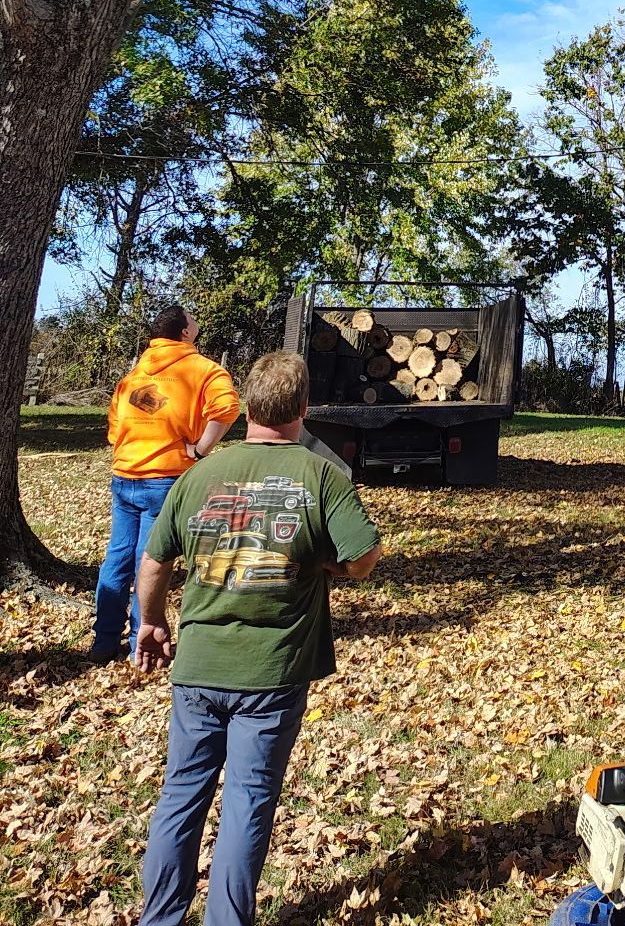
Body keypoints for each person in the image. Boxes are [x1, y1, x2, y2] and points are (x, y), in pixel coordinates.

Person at [133, 350, 382, 926]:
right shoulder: (320, 476)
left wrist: (150, 621)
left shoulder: (198, 474)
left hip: (197, 667)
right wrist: (329, 567)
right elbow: (364, 555)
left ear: (247, 405)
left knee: (180, 798)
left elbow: (152, 564)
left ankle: (160, 918)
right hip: (273, 673)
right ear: (303, 409)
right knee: (247, 803)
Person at [91, 306, 240, 664]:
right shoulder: (203, 370)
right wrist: (201, 448)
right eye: (194, 318)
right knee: (151, 561)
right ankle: (140, 649)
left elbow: (115, 426)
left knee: (118, 557)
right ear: (185, 333)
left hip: (124, 475)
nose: (197, 321)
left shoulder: (136, 374)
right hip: (165, 479)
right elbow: (227, 408)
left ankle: (103, 641)